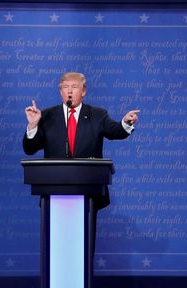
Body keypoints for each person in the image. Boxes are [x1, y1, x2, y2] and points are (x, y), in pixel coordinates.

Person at [23, 71, 140, 208]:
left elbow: (115, 131)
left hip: (88, 190)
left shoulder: (97, 114)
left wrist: (126, 122)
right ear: (60, 91)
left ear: (83, 91)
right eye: (65, 87)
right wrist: (32, 125)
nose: (69, 91)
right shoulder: (47, 116)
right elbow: (30, 149)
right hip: (54, 191)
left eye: (74, 87)